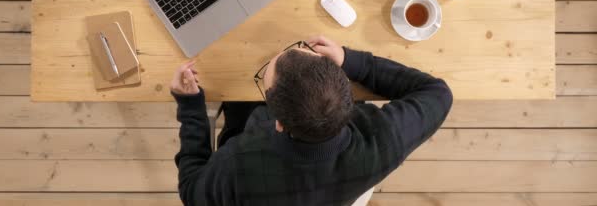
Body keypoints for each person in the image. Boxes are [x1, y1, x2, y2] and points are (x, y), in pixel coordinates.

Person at [170, 35, 453, 206]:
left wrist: (191, 108)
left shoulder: (237, 165)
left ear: (276, 122)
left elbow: (192, 192)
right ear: (347, 95)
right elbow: (438, 93)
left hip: (265, 183)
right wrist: (355, 61)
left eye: (265, 84)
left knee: (238, 106)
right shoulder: (384, 140)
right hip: (339, 186)